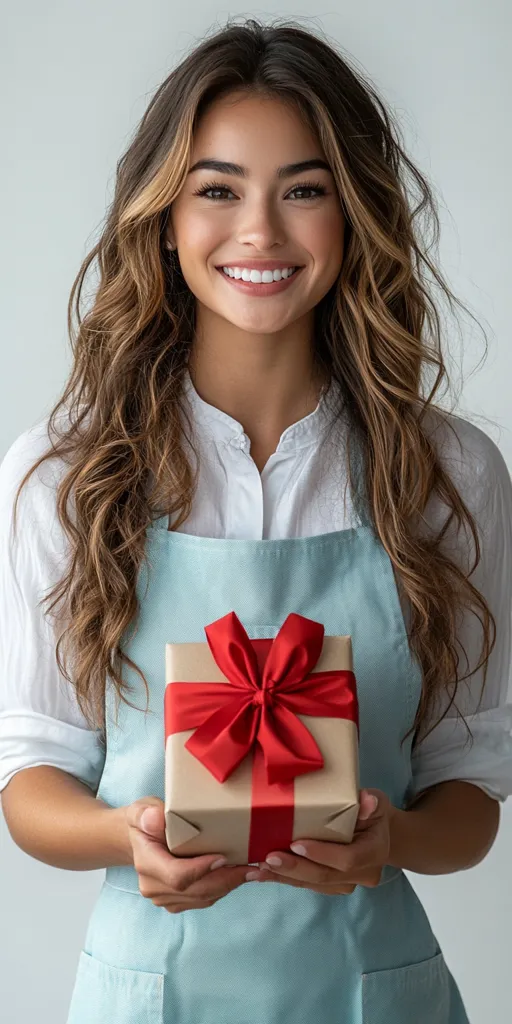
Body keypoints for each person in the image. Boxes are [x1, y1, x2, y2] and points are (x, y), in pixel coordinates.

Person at [1, 16, 511, 1024]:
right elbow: (29, 778)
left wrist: (387, 842)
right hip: (149, 994)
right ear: (163, 215)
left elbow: (467, 799)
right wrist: (129, 837)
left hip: (372, 991)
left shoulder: (446, 472)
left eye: (304, 191)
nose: (261, 234)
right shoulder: (65, 473)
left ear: (354, 213)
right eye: (218, 189)